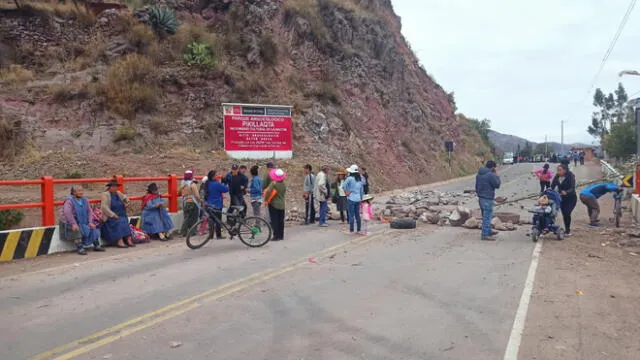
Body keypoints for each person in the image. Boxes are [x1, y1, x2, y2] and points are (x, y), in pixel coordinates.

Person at [60, 185, 104, 255]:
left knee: (92, 227)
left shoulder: (85, 200)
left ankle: (97, 245)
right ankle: (80, 248)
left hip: (83, 220)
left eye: (82, 190)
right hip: (70, 221)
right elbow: (67, 213)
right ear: (74, 192)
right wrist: (73, 223)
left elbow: (89, 211)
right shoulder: (69, 201)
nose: (81, 192)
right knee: (76, 230)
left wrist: (90, 221)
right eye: (79, 191)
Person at [101, 180, 134, 248]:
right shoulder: (105, 194)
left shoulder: (118, 193)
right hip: (110, 216)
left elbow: (125, 197)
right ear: (110, 187)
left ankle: (128, 239)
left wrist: (127, 200)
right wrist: (113, 215)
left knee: (124, 221)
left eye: (116, 187)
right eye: (113, 186)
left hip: (121, 214)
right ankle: (120, 241)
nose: (115, 188)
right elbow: (104, 207)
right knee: (118, 222)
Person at [475, 160, 501, 241]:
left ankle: (488, 231)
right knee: (487, 217)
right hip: (488, 198)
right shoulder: (491, 175)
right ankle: (485, 235)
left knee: (485, 216)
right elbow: (497, 185)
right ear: (493, 167)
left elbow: (476, 186)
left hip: (481, 198)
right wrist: (496, 175)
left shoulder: (479, 174)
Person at [551, 164, 577, 236]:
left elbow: (572, 187)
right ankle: (550, 227)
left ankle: (567, 230)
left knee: (567, 212)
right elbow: (553, 185)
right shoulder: (557, 176)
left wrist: (567, 192)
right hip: (561, 198)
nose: (558, 172)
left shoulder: (570, 176)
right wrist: (550, 190)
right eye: (557, 170)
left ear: (565, 170)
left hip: (571, 198)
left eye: (560, 170)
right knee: (563, 214)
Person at [263, 168, 287, 241]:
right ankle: (281, 235)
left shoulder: (274, 184)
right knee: (281, 220)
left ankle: (276, 236)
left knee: (275, 220)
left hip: (274, 204)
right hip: (282, 204)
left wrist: (265, 200)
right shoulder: (284, 183)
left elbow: (268, 192)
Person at [205, 170, 229, 239]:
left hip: (209, 204)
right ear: (213, 177)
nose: (217, 176)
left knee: (211, 220)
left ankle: (211, 235)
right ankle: (218, 235)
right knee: (218, 220)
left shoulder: (207, 183)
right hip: (217, 205)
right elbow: (226, 189)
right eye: (216, 175)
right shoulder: (217, 184)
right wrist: (225, 184)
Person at [342, 165, 364, 235]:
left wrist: (347, 192)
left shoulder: (349, 178)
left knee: (351, 215)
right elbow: (361, 190)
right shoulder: (360, 179)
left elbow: (343, 186)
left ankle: (351, 230)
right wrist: (361, 198)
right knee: (357, 215)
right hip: (358, 199)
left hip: (351, 198)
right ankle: (359, 230)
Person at [179, 170, 201, 236]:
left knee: (186, 217)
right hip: (193, 202)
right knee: (194, 218)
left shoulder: (183, 183)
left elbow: (179, 192)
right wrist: (200, 201)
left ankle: (183, 232)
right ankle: (193, 232)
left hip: (185, 202)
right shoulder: (192, 184)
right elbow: (197, 195)